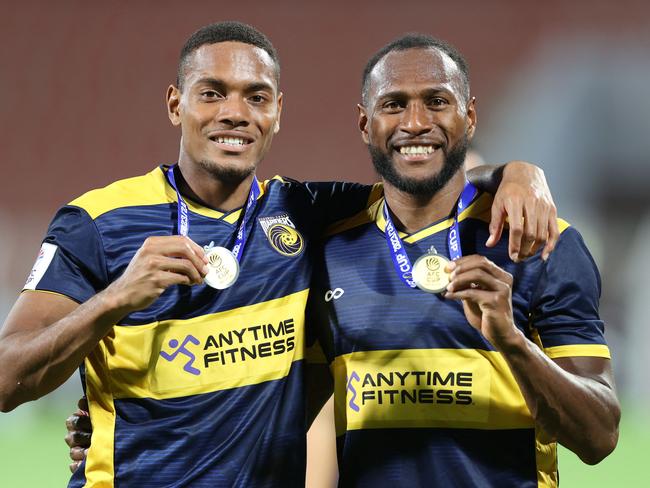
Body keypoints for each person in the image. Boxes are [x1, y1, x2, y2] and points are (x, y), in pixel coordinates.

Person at [0, 22, 556, 487]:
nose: (235, 113)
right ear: (176, 104)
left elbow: (420, 179)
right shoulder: (97, 222)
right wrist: (116, 298)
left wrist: (514, 174)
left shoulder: (306, 213)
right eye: (212, 93)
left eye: (256, 96)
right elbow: (7, 380)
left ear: (277, 112)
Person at [306, 34, 621, 487]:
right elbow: (290, 421)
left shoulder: (541, 241)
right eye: (394, 104)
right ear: (364, 124)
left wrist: (512, 343)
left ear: (469, 116)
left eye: (437, 101)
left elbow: (600, 437)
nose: (415, 122)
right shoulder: (330, 245)